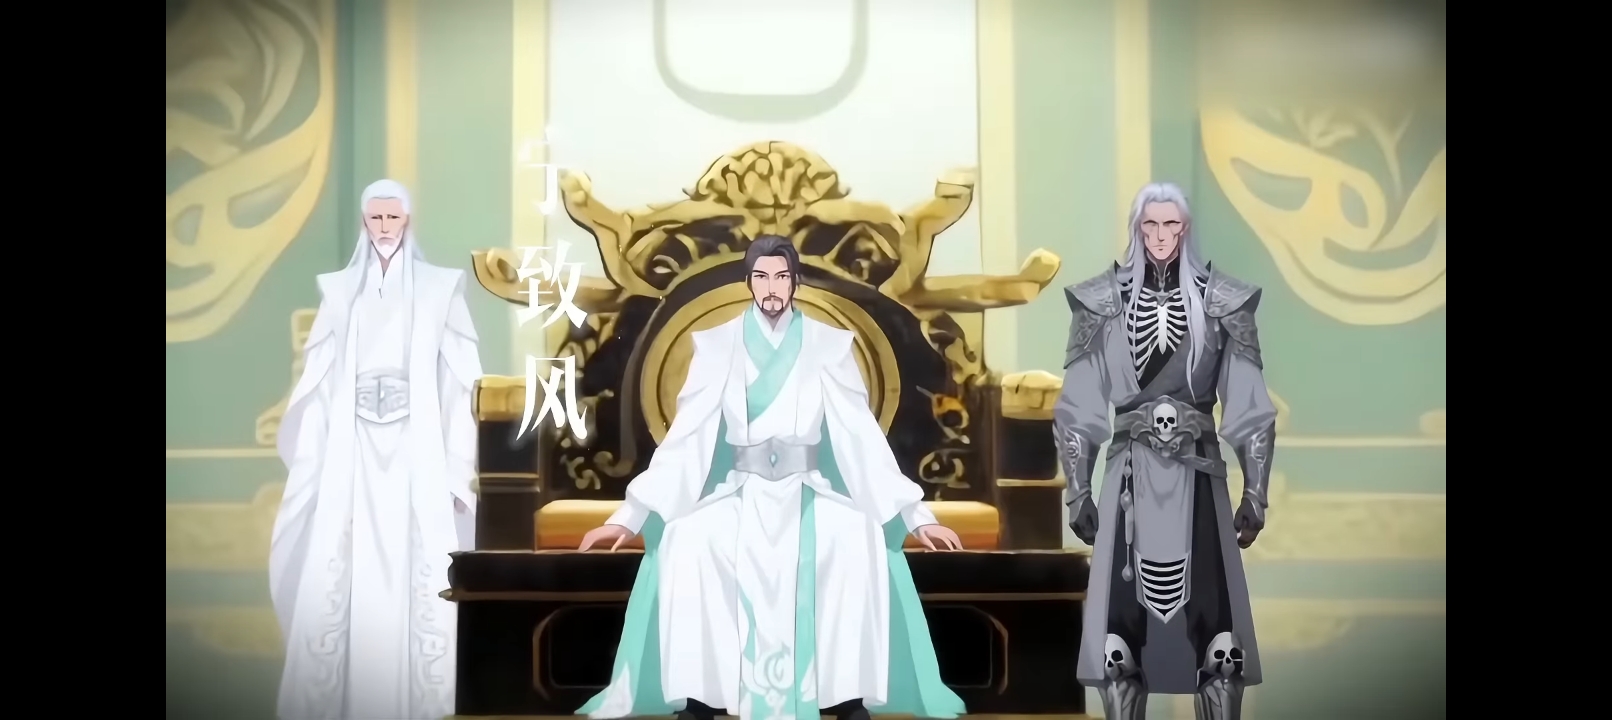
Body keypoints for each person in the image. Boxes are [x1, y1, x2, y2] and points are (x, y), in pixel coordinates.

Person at [575, 235, 968, 720]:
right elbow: (687, 436)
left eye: (781, 276)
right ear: (749, 282)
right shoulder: (717, 344)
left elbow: (860, 435)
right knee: (689, 539)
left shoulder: (829, 345)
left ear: (795, 281)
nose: (771, 287)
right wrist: (629, 516)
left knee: (856, 537)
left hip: (808, 490)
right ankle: (703, 696)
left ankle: (843, 695)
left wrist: (915, 515)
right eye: (761, 277)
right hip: (741, 490)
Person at [1057, 183, 1276, 720]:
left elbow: (1250, 404)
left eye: (1171, 225)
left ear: (1186, 228)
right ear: (1137, 228)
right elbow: (1078, 406)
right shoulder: (1100, 303)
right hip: (1129, 477)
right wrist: (1078, 490)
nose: (1160, 236)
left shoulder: (1223, 301)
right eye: (1150, 225)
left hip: (1198, 477)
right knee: (1117, 648)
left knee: (1221, 647)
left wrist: (1256, 492)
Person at [269, 179, 482, 720]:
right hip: (352, 455)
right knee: (341, 577)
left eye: (393, 218)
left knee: (422, 581)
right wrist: (314, 464)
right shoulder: (341, 293)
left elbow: (461, 389)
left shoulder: (440, 290)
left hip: (418, 454)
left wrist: (458, 471)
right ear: (365, 222)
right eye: (375, 219)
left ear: (407, 220)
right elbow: (320, 387)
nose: (384, 228)